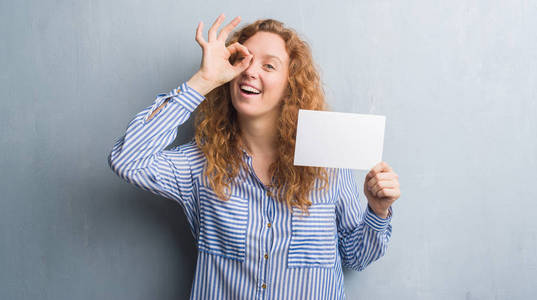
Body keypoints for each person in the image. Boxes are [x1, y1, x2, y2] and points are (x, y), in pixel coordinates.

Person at [108, 13, 401, 300]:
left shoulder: (327, 160)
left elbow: (356, 257)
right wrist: (203, 80)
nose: (250, 71)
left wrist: (377, 211)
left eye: (269, 66)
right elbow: (127, 159)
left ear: (291, 84)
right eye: (242, 60)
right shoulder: (201, 163)